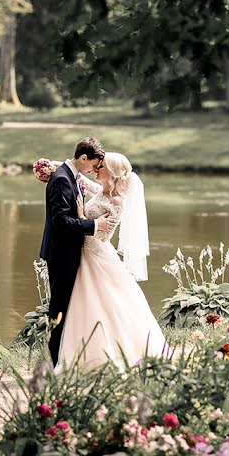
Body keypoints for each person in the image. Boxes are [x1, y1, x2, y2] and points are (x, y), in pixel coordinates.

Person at [55, 152, 169, 372]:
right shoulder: (102, 190)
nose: (97, 168)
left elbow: (104, 236)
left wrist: (80, 215)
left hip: (96, 256)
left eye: (102, 166)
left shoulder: (116, 200)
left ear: (114, 173)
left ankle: (118, 354)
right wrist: (62, 167)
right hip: (84, 255)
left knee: (106, 305)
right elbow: (83, 181)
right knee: (89, 306)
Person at [39, 137, 118, 366]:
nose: (94, 169)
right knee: (59, 308)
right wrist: (95, 226)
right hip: (62, 254)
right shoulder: (62, 179)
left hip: (71, 252)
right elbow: (61, 221)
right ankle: (56, 363)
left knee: (67, 307)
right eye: (93, 164)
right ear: (83, 157)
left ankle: (65, 357)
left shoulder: (70, 176)